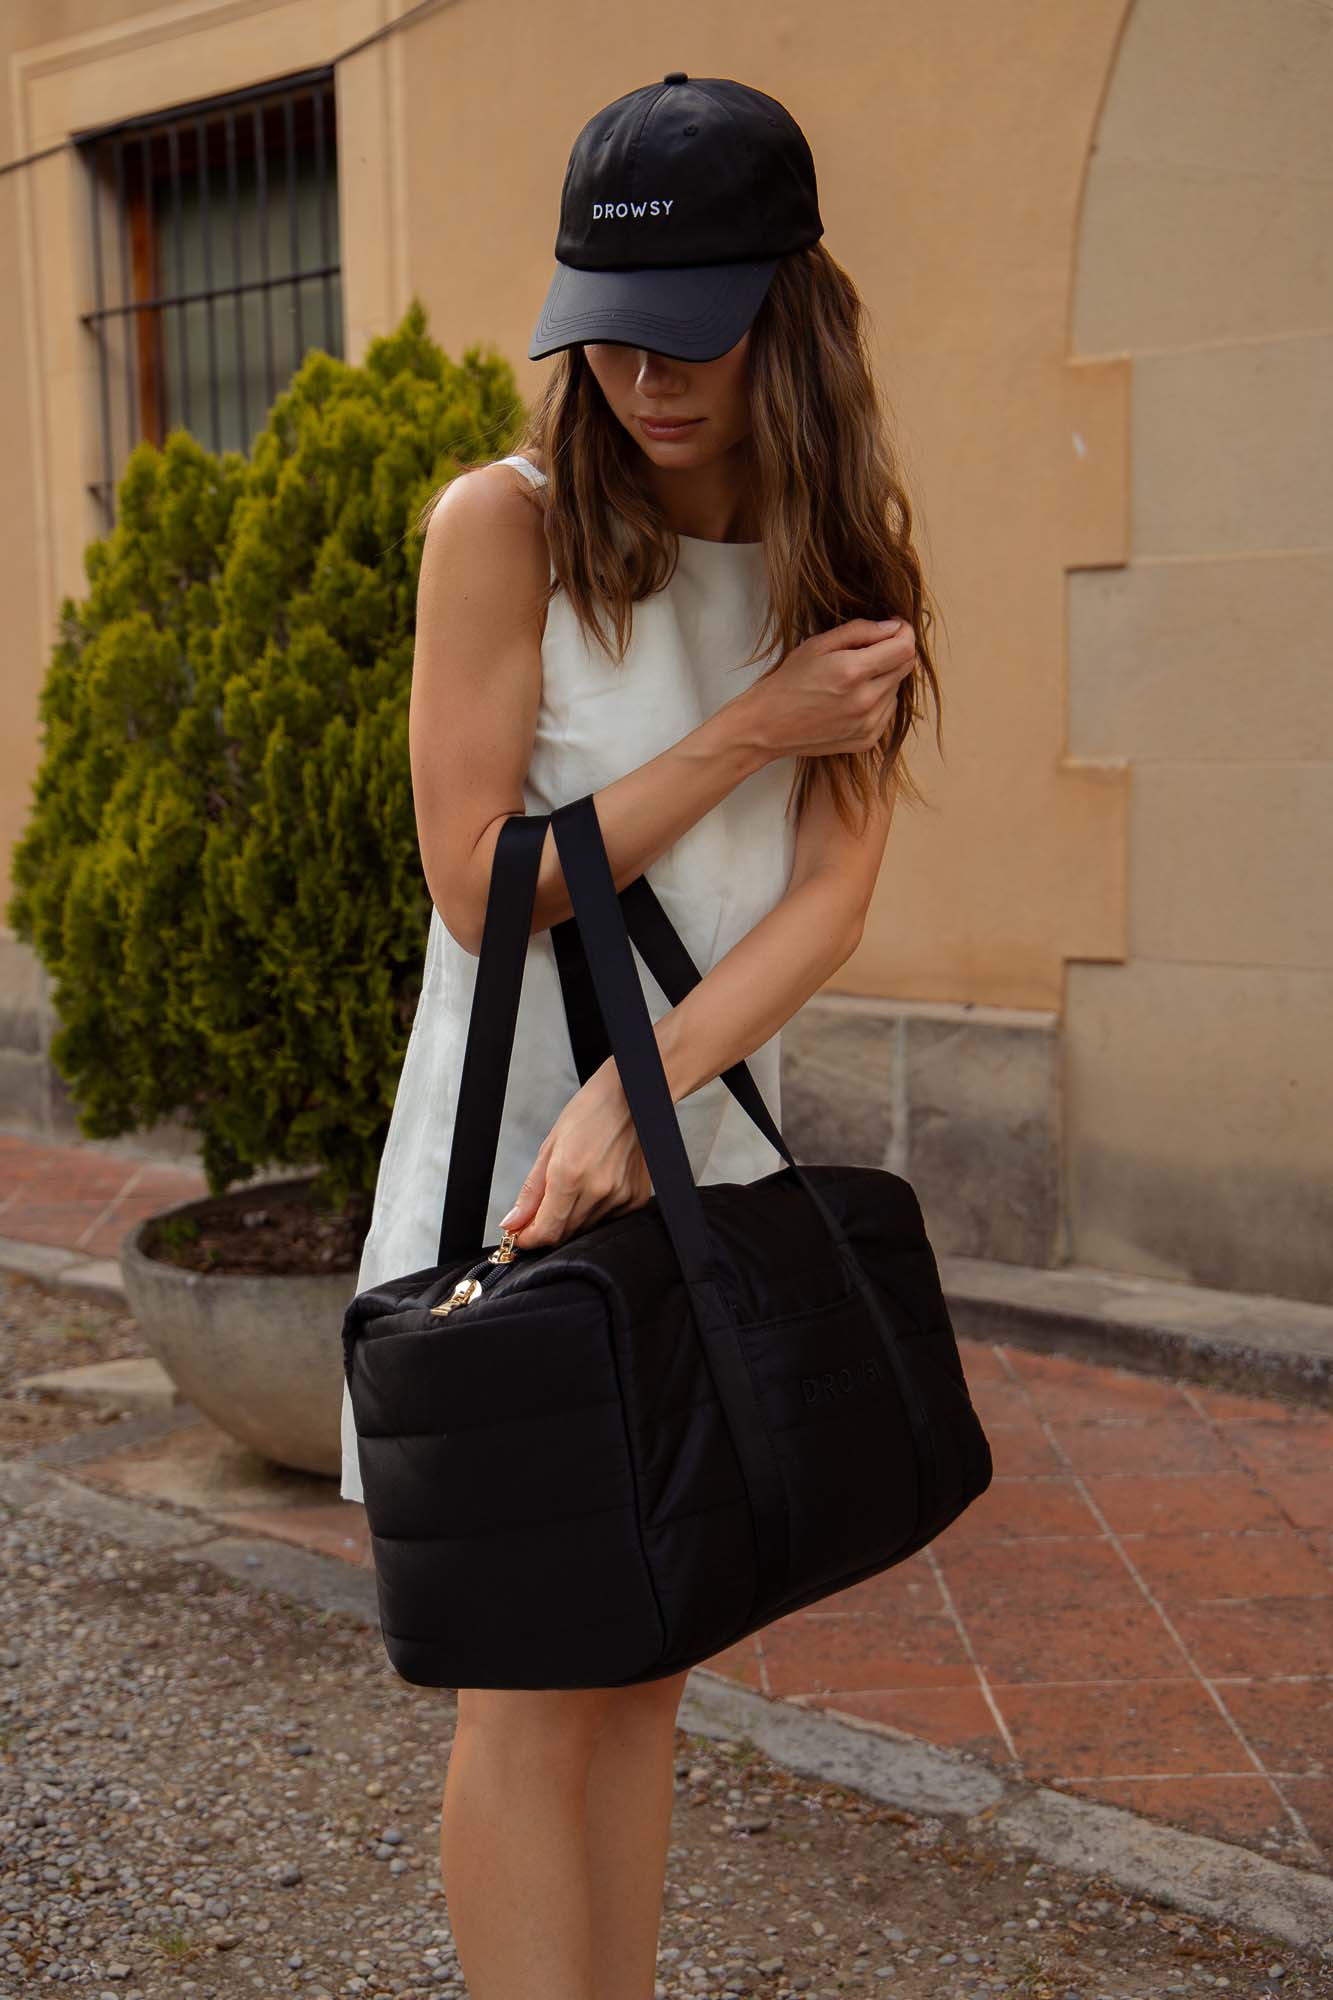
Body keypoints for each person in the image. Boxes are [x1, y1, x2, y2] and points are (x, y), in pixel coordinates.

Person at [339, 70, 939, 2000]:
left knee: (652, 1649)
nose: (643, 381)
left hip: (690, 1138)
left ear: (797, 312)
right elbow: (482, 884)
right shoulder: (499, 528)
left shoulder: (850, 566)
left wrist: (648, 1098)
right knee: (528, 1675)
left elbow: (830, 903)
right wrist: (750, 733)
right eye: (604, 334)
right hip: (505, 1151)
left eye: (691, 336)